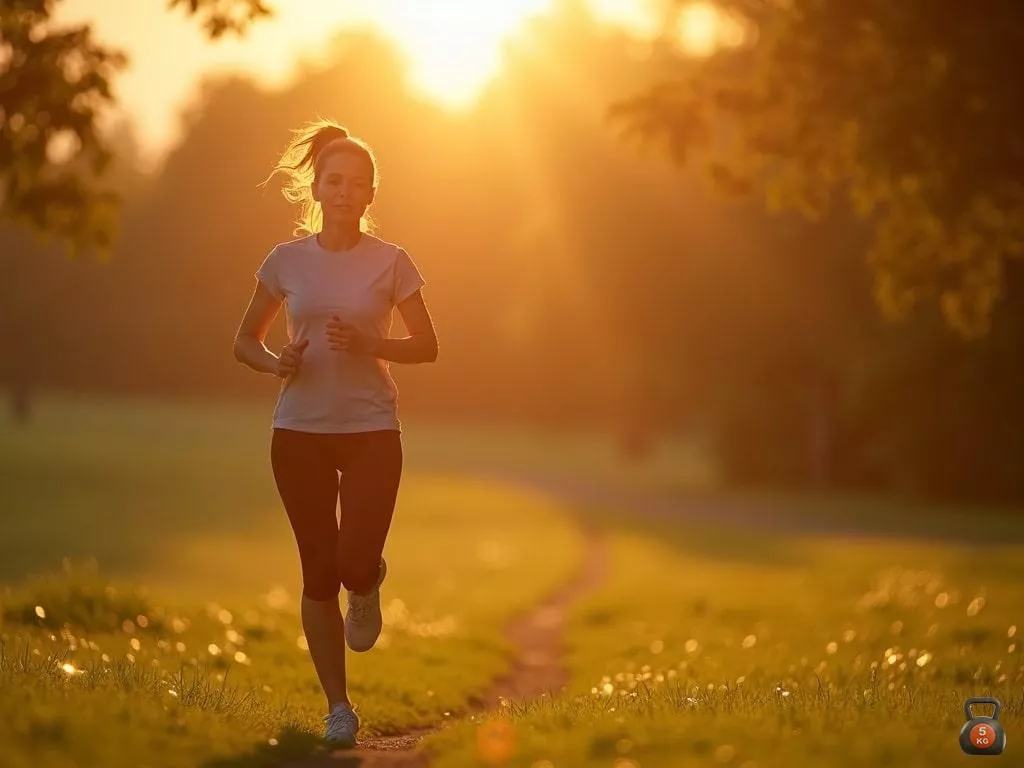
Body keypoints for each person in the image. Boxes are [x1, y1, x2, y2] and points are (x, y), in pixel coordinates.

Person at [232, 119, 438, 747]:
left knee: (351, 563)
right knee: (318, 573)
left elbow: (428, 346)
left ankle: (369, 580)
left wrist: (373, 343)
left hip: (373, 429)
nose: (346, 191)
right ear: (316, 188)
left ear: (371, 195)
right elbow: (245, 340)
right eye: (335, 180)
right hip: (298, 431)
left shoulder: (393, 263)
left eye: (359, 183)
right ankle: (339, 709)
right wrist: (277, 363)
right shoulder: (285, 261)